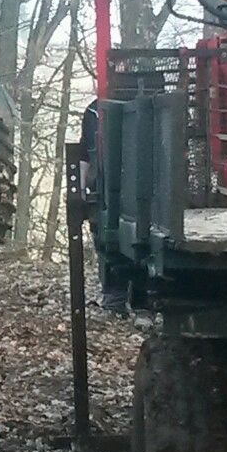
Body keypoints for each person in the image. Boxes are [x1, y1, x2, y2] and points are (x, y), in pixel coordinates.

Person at [78, 98, 131, 315]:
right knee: (104, 239)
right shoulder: (93, 111)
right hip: (103, 188)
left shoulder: (98, 109)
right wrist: (80, 188)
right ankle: (114, 298)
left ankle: (135, 300)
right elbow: (84, 151)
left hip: (131, 187)